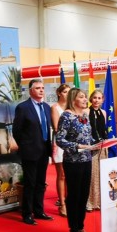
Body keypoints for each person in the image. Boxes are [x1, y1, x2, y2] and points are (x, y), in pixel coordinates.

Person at [56, 88, 94, 232]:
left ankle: (80, 227)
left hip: (87, 159)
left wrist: (97, 143)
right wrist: (77, 146)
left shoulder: (85, 115)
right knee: (74, 196)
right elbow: (59, 139)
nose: (86, 100)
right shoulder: (66, 116)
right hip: (73, 161)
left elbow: (88, 136)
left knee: (84, 195)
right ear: (73, 99)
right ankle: (73, 231)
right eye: (82, 97)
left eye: (86, 97)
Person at [12, 78, 53, 225]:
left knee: (41, 183)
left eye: (42, 88)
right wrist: (25, 145)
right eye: (38, 88)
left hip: (44, 150)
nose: (41, 90)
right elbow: (16, 130)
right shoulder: (23, 107)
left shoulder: (47, 107)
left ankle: (39, 211)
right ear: (31, 91)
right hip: (30, 151)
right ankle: (27, 214)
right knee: (30, 183)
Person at [86, 89, 108, 212]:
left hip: (102, 147)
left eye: (99, 98)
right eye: (95, 98)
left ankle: (98, 201)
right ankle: (89, 202)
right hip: (90, 148)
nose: (96, 100)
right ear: (91, 99)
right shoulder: (85, 111)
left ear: (102, 100)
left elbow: (103, 130)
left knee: (101, 174)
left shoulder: (103, 112)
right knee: (92, 175)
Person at [51, 84, 70, 217]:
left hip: (72, 143)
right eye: (64, 92)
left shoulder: (71, 107)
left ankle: (70, 201)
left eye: (69, 92)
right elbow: (57, 127)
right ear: (59, 93)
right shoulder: (55, 107)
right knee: (62, 174)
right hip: (60, 143)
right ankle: (62, 204)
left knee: (71, 174)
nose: (67, 94)